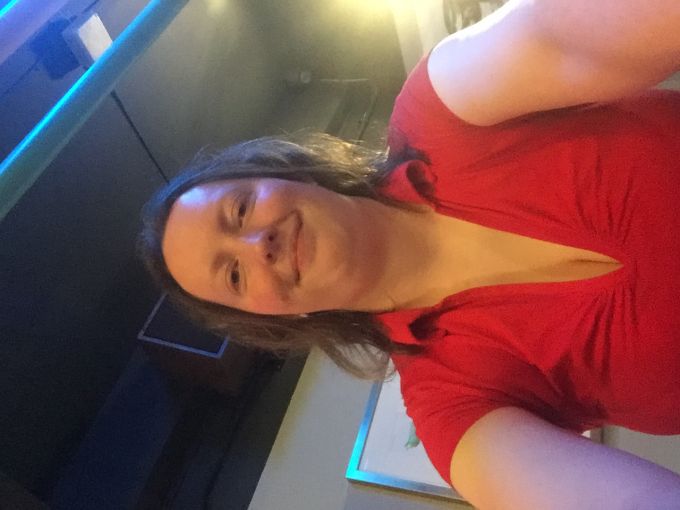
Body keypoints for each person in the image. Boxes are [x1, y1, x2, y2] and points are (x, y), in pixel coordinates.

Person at [138, 1, 680, 508]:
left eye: (239, 209)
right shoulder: (454, 417)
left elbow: (574, 34)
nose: (259, 246)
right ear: (273, 319)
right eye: (234, 275)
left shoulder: (443, 104)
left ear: (285, 172)